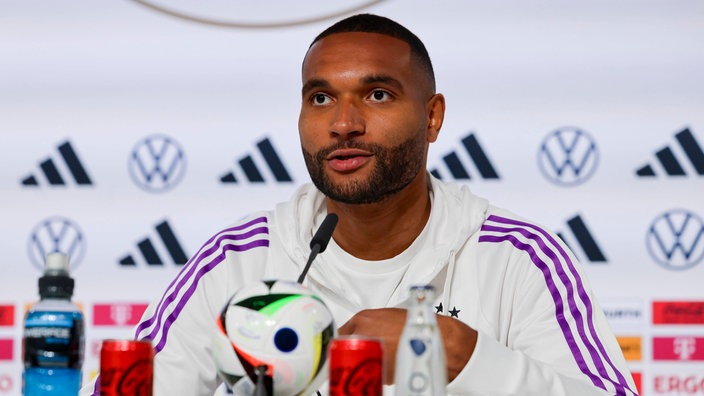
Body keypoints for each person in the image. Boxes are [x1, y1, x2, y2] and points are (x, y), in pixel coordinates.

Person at [81, 13, 638, 396]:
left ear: (433, 116)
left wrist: (460, 354)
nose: (343, 125)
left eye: (377, 95)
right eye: (320, 98)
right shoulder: (241, 260)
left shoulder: (519, 258)